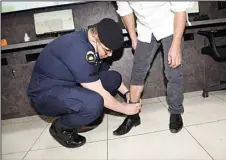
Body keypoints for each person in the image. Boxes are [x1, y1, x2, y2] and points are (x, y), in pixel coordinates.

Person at [27, 18, 141, 148]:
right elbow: (99, 92)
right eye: (107, 50)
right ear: (95, 36)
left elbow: (105, 77)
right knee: (95, 102)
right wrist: (125, 109)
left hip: (68, 84)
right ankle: (61, 128)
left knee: (113, 78)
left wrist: (127, 94)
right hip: (45, 95)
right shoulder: (77, 48)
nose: (110, 55)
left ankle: (84, 112)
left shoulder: (92, 44)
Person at [113, 2, 194, 136]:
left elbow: (180, 10)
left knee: (172, 70)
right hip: (145, 29)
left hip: (170, 25)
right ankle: (133, 115)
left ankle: (175, 112)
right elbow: (125, 11)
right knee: (138, 72)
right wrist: (133, 38)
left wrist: (176, 44)